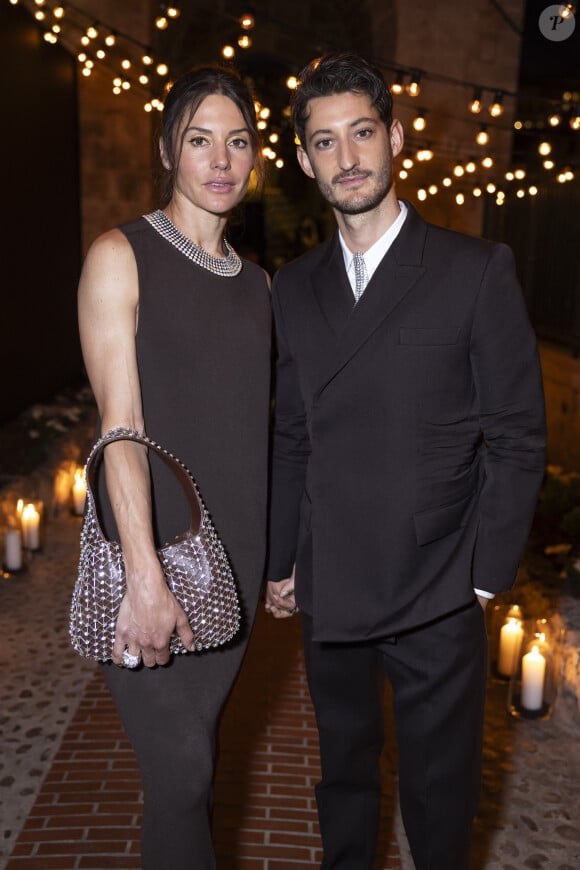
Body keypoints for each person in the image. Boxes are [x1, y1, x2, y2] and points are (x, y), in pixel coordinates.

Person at [265, 52, 546, 870]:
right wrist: (281, 558)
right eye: (324, 142)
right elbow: (293, 433)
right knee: (344, 777)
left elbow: (519, 433)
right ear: (306, 160)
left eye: (361, 133)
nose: (347, 158)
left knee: (439, 791)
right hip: (334, 579)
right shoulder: (295, 285)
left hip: (438, 581)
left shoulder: (473, 270)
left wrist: (485, 577)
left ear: (394, 137)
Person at [77, 65, 271, 870]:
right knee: (183, 770)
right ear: (169, 149)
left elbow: (263, 431)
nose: (221, 160)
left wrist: (282, 561)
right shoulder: (121, 255)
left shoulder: (260, 285)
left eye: (238, 141)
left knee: (194, 771)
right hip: (153, 560)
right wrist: (143, 574)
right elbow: (120, 429)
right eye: (200, 140)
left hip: (241, 563)